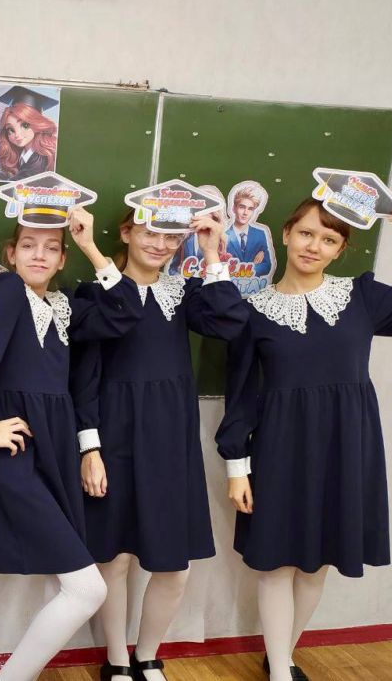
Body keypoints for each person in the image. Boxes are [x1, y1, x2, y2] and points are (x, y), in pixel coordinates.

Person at [0, 206, 142, 681]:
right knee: (87, 589)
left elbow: (126, 311)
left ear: (63, 258)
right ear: (11, 253)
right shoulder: (7, 291)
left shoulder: (63, 306)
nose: (39, 255)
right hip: (18, 456)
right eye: (28, 245)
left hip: (55, 452)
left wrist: (90, 246)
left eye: (51, 248)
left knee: (71, 583)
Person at [217, 198, 392, 681]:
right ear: (286, 234)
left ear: (340, 250)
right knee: (276, 564)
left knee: (317, 564)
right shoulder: (251, 312)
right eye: (306, 233)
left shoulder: (362, 296)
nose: (314, 246)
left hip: (345, 447)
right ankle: (280, 673)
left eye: (329, 239)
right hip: (279, 449)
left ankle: (282, 656)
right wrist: (237, 468)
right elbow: (239, 395)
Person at [76, 211, 246, 680]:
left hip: (171, 440)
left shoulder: (184, 293)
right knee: (114, 558)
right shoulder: (93, 294)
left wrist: (211, 252)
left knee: (175, 565)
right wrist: (89, 448)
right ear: (126, 232)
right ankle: (116, 660)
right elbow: (84, 377)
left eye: (171, 236)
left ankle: (147, 656)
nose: (160, 244)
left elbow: (230, 322)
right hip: (114, 437)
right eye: (149, 231)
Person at [225, 181, 273, 277]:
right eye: (242, 207)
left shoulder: (260, 234)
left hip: (254, 285)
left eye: (250, 209)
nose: (245, 213)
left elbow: (266, 266)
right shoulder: (224, 236)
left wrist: (236, 269)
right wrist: (251, 267)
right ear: (234, 208)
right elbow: (219, 266)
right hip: (229, 285)